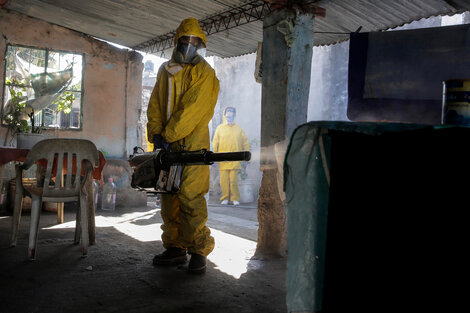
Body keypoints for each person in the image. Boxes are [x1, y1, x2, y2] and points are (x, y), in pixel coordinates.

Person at [146, 17, 220, 274]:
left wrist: (169, 134)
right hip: (168, 144)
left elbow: (192, 109)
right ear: (176, 42)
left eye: (194, 43)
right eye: (185, 41)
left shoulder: (204, 73)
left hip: (193, 143)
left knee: (191, 196)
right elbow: (155, 103)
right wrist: (156, 133)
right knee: (169, 195)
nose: (189, 46)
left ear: (201, 45)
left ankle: (199, 249)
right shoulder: (165, 70)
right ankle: (175, 247)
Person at [212, 107, 250, 206]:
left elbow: (245, 142)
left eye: (232, 113)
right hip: (222, 159)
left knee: (233, 180)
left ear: (234, 115)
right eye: (228, 113)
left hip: (235, 159)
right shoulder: (220, 128)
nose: (229, 115)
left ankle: (234, 198)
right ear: (224, 115)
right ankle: (225, 198)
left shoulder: (238, 129)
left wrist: (246, 156)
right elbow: (215, 143)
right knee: (223, 181)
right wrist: (214, 158)